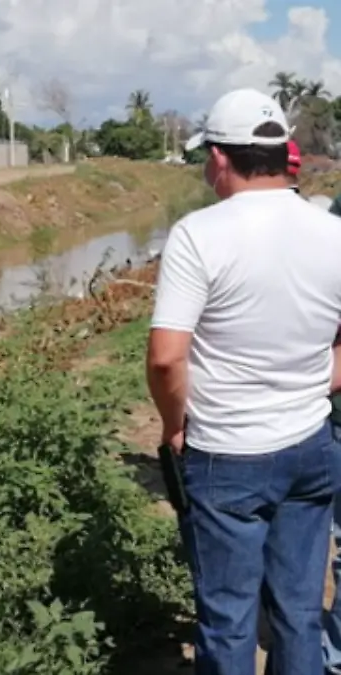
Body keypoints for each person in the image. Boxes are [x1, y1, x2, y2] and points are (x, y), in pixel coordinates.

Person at [146, 87, 341, 675]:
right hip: (312, 448)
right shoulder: (331, 231)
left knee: (228, 621)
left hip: (227, 453)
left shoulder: (198, 235)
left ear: (221, 158)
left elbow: (164, 359)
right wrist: (318, 382)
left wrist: (175, 423)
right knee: (299, 613)